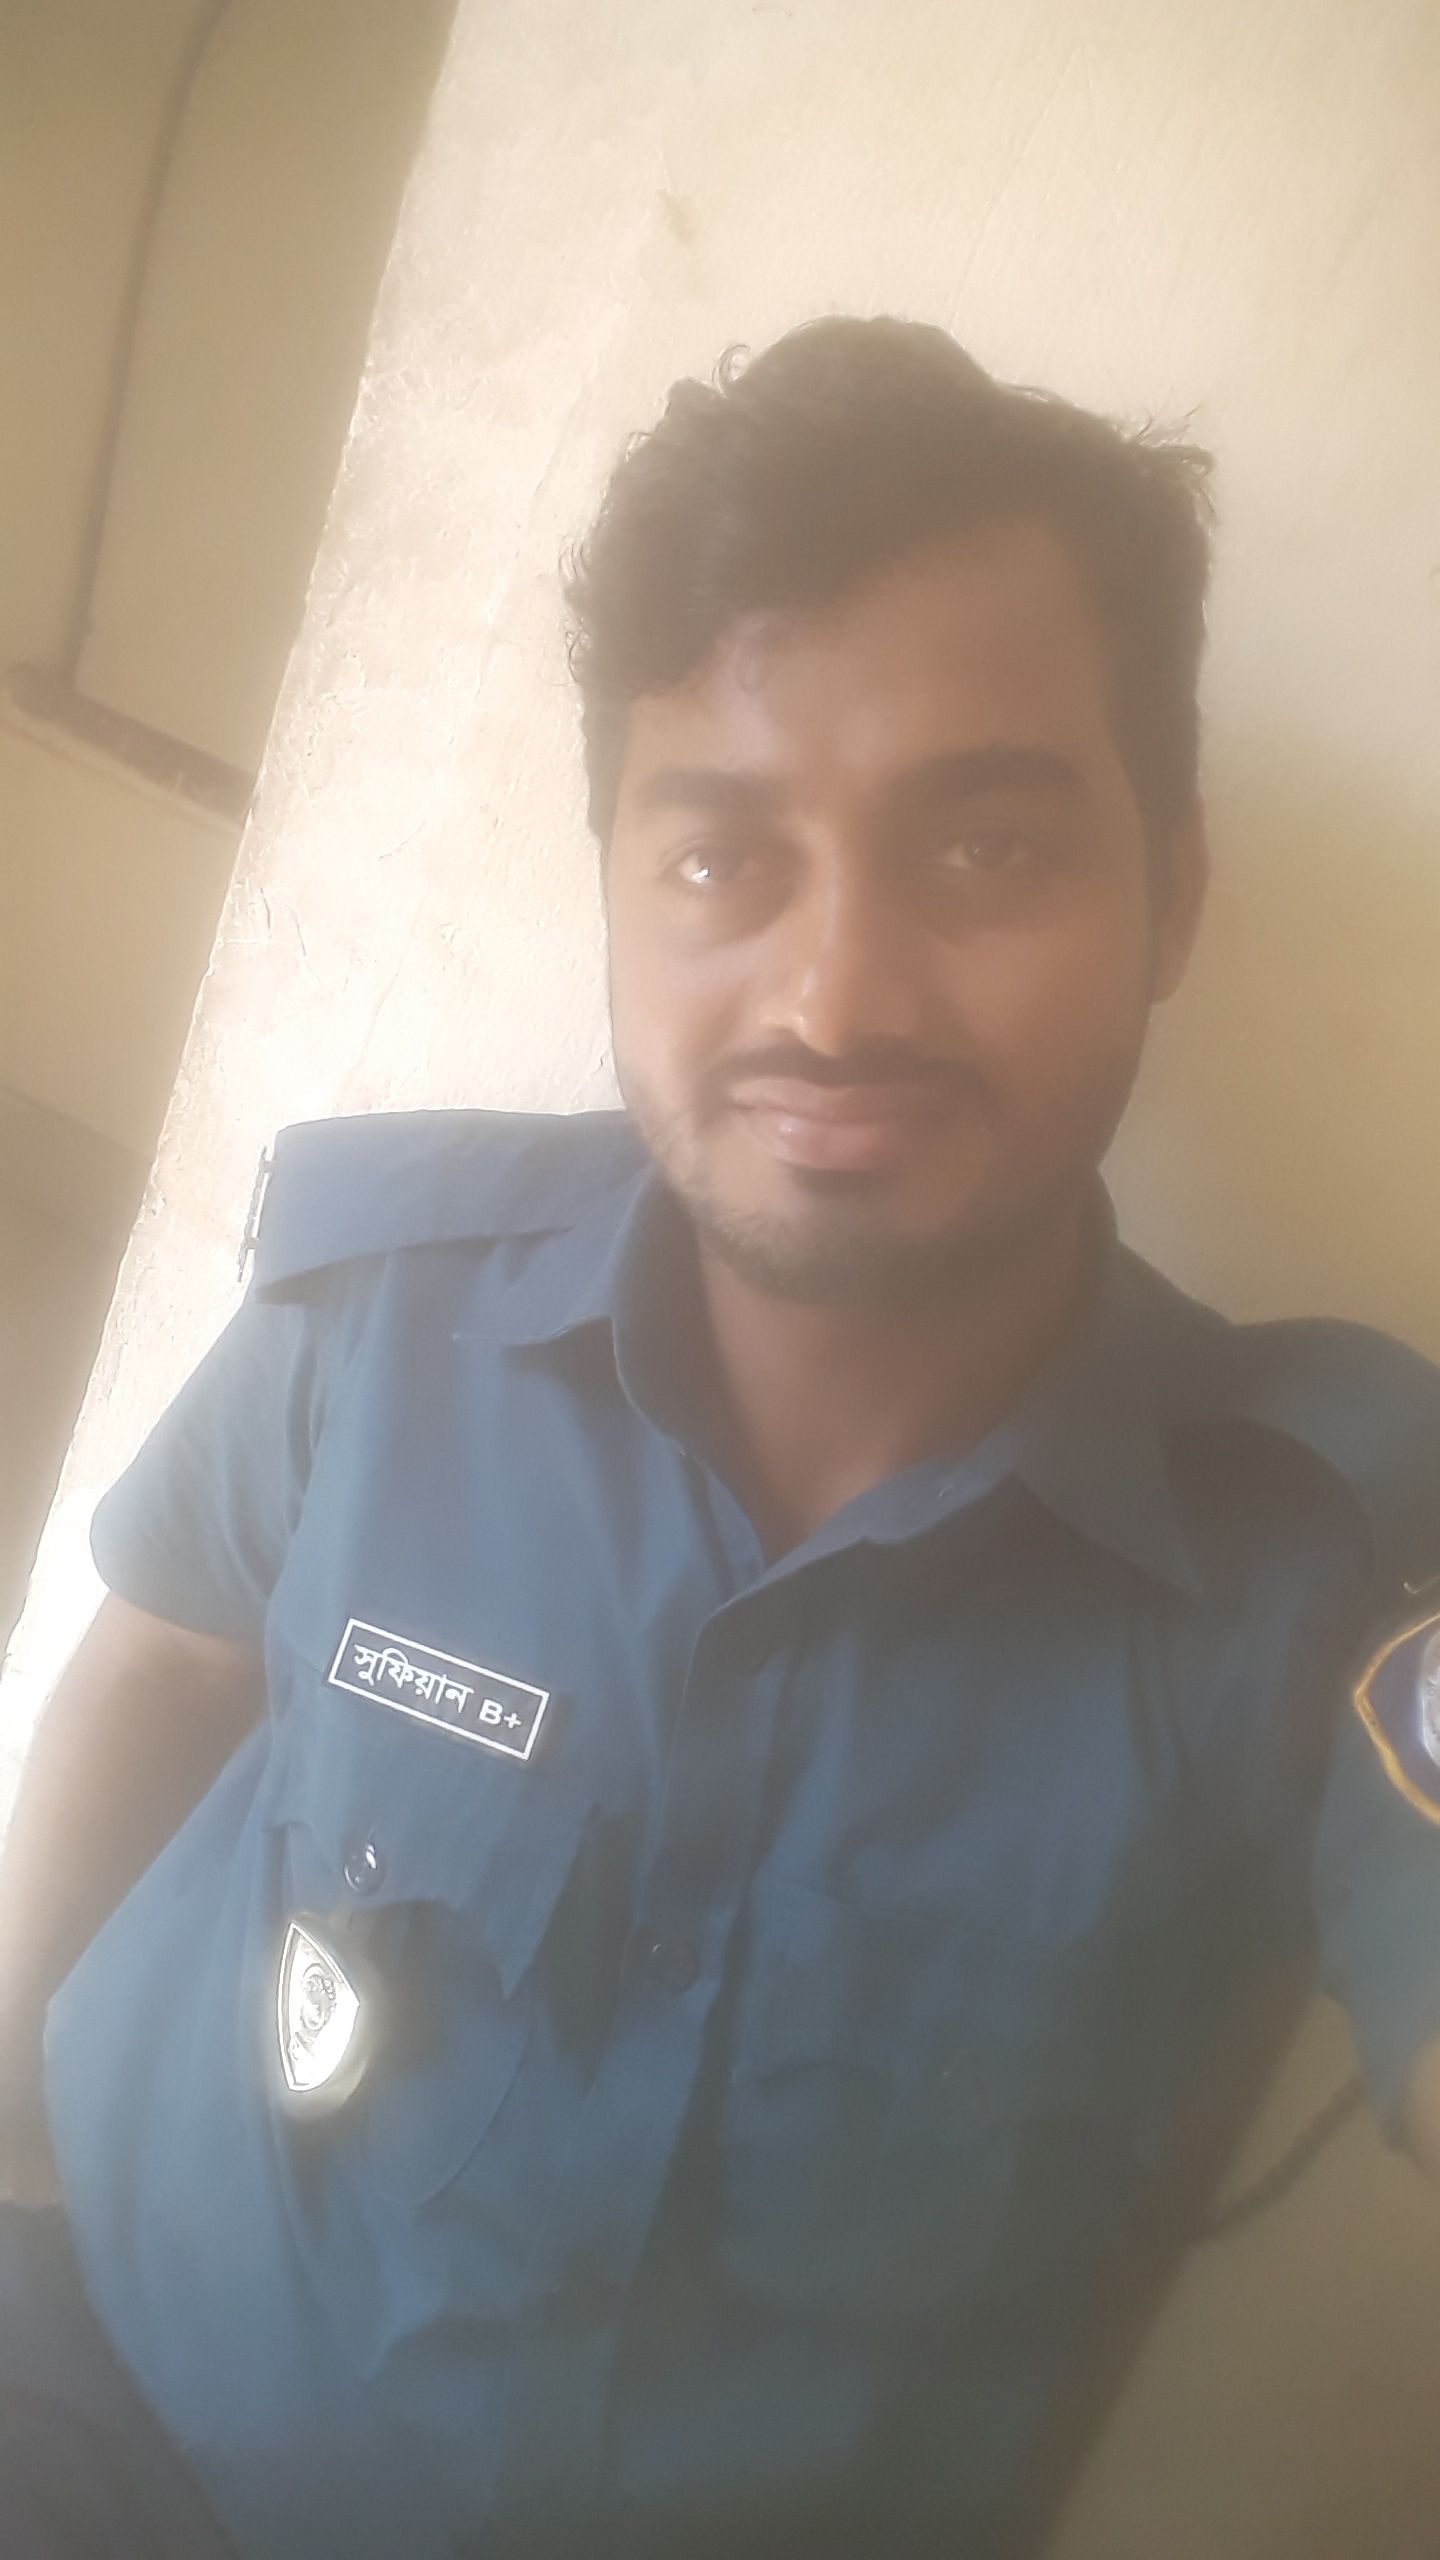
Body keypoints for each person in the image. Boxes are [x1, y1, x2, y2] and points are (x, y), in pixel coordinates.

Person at [1, 314, 1438, 2560]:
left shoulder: (1318, 1543)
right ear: (609, 879)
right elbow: (159, 1665)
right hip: (97, 2411)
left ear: (1175, 890)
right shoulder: (377, 1315)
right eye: (718, 860)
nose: (836, 998)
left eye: (987, 845)